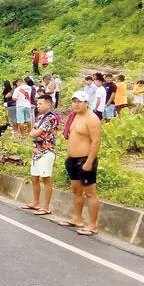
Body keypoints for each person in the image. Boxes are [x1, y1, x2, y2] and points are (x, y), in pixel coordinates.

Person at [61, 90, 101, 236]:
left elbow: (96, 141)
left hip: (85, 160)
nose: (76, 104)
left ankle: (93, 225)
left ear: (86, 103)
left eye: (79, 101)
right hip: (72, 160)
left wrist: (89, 162)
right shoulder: (75, 116)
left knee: (90, 193)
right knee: (76, 191)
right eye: (74, 101)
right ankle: (77, 218)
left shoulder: (92, 118)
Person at [22, 94, 59, 216]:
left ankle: (46, 206)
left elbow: (35, 132)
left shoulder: (51, 117)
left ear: (49, 104)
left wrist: (34, 133)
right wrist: (34, 133)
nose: (38, 106)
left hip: (46, 151)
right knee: (34, 177)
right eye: (37, 104)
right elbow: (32, 132)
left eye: (41, 103)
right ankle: (36, 202)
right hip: (36, 151)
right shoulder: (40, 117)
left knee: (46, 178)